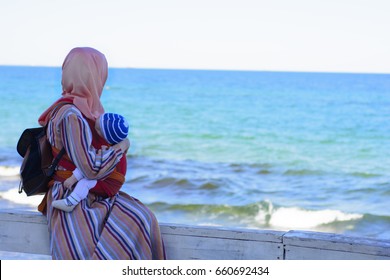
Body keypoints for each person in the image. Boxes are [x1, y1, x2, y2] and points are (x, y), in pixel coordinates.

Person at [37, 47, 166, 260]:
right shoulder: (71, 115)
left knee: (143, 218)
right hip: (73, 199)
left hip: (86, 192)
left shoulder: (78, 109)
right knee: (135, 222)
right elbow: (90, 167)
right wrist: (120, 147)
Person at [52, 113, 130, 212]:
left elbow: (90, 167)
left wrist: (72, 179)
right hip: (110, 180)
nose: (94, 128)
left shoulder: (106, 153)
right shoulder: (114, 146)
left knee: (85, 183)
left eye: (97, 129)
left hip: (109, 185)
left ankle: (70, 202)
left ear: (105, 137)